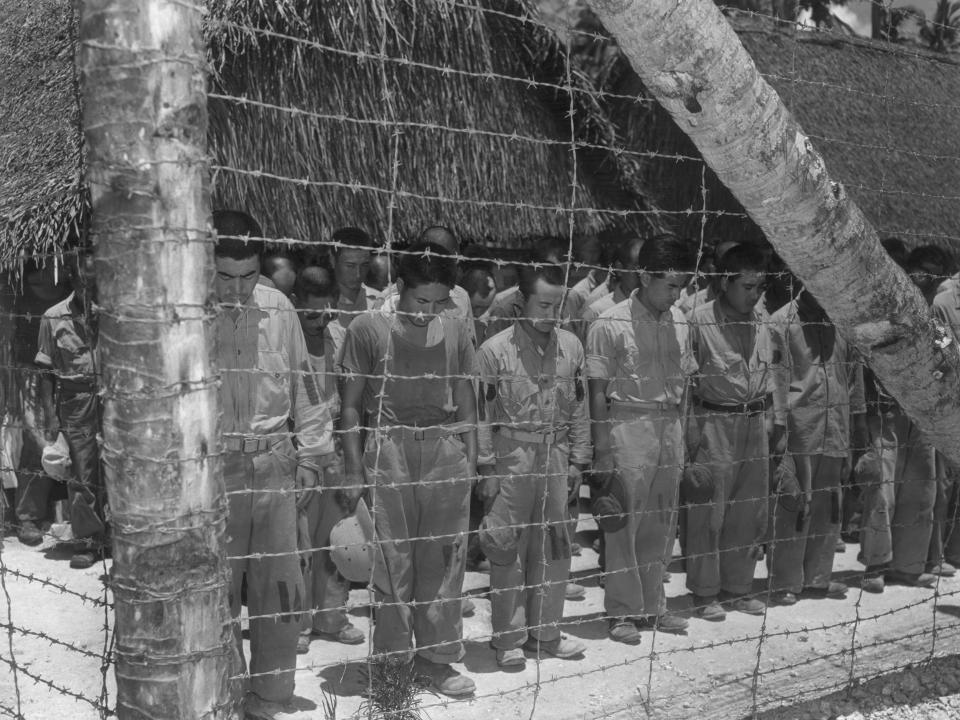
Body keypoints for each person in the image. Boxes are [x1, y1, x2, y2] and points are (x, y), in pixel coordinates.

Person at [339, 241, 478, 697]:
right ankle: (394, 663)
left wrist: (472, 460)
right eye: (421, 300)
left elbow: (465, 394)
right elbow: (351, 406)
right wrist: (354, 468)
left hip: (443, 453)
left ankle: (437, 660)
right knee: (392, 562)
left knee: (442, 561)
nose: (429, 312)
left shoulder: (456, 326)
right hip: (388, 452)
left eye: (440, 302)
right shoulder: (367, 329)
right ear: (399, 287)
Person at [213, 210, 337, 718]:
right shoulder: (186, 310)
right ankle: (221, 690)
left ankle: (271, 695)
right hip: (214, 469)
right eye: (225, 276)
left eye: (248, 276)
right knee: (215, 590)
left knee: (278, 589)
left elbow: (305, 389)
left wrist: (312, 455)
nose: (237, 288)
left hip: (273, 463)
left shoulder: (280, 308)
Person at [586, 234, 697, 644]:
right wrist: (601, 450)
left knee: (662, 521)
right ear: (645, 276)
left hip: (670, 427)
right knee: (623, 523)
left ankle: (654, 605)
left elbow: (687, 386)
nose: (677, 293)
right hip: (628, 426)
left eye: (681, 286)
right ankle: (622, 610)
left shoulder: (682, 322)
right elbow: (596, 390)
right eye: (669, 285)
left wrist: (684, 439)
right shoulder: (609, 323)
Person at [477, 262, 589, 667]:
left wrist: (579, 459)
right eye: (543, 305)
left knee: (556, 548)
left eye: (557, 306)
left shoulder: (572, 346)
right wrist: (487, 468)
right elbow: (482, 416)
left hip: (557, 457)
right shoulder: (494, 351)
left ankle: (546, 633)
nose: (551, 315)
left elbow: (579, 406)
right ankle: (508, 640)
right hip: (512, 457)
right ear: (521, 301)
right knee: (507, 548)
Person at [685, 243, 772, 618]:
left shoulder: (761, 321)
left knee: (748, 510)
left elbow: (772, 375)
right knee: (709, 511)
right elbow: (686, 384)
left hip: (754, 423)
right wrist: (690, 438)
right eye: (747, 287)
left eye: (759, 288)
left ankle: (738, 586)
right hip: (714, 423)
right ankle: (705, 592)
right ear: (725, 282)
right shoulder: (698, 321)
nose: (754, 295)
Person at [766, 285, 865, 604]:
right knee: (795, 504)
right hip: (801, 427)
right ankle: (785, 581)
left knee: (830, 506)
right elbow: (776, 380)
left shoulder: (841, 321)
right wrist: (779, 428)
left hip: (835, 425)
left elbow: (853, 377)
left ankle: (818, 578)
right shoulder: (782, 322)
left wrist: (856, 427)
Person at [291, 265, 365, 653]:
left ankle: (332, 617)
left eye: (326, 313)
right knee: (299, 546)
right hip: (298, 458)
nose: (320, 322)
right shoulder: (285, 341)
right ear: (294, 305)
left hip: (334, 454)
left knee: (338, 542)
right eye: (311, 315)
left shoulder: (338, 337)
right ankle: (299, 624)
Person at [34, 248, 106, 569]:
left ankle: (120, 537)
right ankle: (88, 541)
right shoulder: (53, 317)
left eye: (95, 281)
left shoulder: (115, 314)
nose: (89, 289)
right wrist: (50, 415)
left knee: (119, 468)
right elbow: (46, 371)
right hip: (76, 402)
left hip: (115, 400)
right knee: (82, 473)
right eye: (83, 281)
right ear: (72, 280)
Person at [330, 226, 381, 328]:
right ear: (332, 260)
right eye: (350, 266)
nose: (358, 274)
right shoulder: (319, 303)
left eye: (364, 265)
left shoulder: (379, 303)